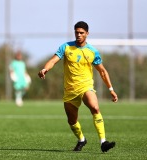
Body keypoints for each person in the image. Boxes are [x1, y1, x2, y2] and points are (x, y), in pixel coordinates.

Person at [38, 21, 118, 152]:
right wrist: (44, 69)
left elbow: (102, 71)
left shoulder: (93, 52)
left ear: (87, 33)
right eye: (76, 32)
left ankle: (103, 142)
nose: (79, 35)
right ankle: (81, 139)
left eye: (81, 33)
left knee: (95, 108)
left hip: (86, 86)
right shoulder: (66, 47)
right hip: (69, 90)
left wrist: (111, 89)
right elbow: (53, 60)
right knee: (72, 121)